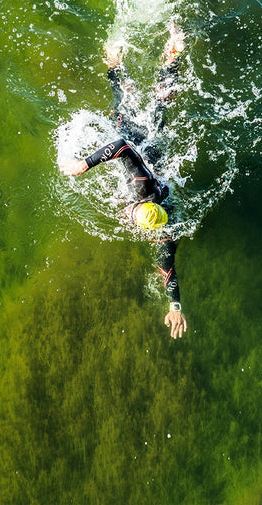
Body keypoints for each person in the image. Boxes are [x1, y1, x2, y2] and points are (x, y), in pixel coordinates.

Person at [59, 22, 188, 339]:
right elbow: (122, 146)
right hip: (141, 140)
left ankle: (172, 53)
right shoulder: (141, 189)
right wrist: (83, 165)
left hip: (155, 153)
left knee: (161, 103)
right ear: (138, 207)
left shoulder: (164, 229)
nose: (128, 214)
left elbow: (168, 270)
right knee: (127, 101)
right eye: (132, 214)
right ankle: (118, 60)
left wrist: (175, 307)